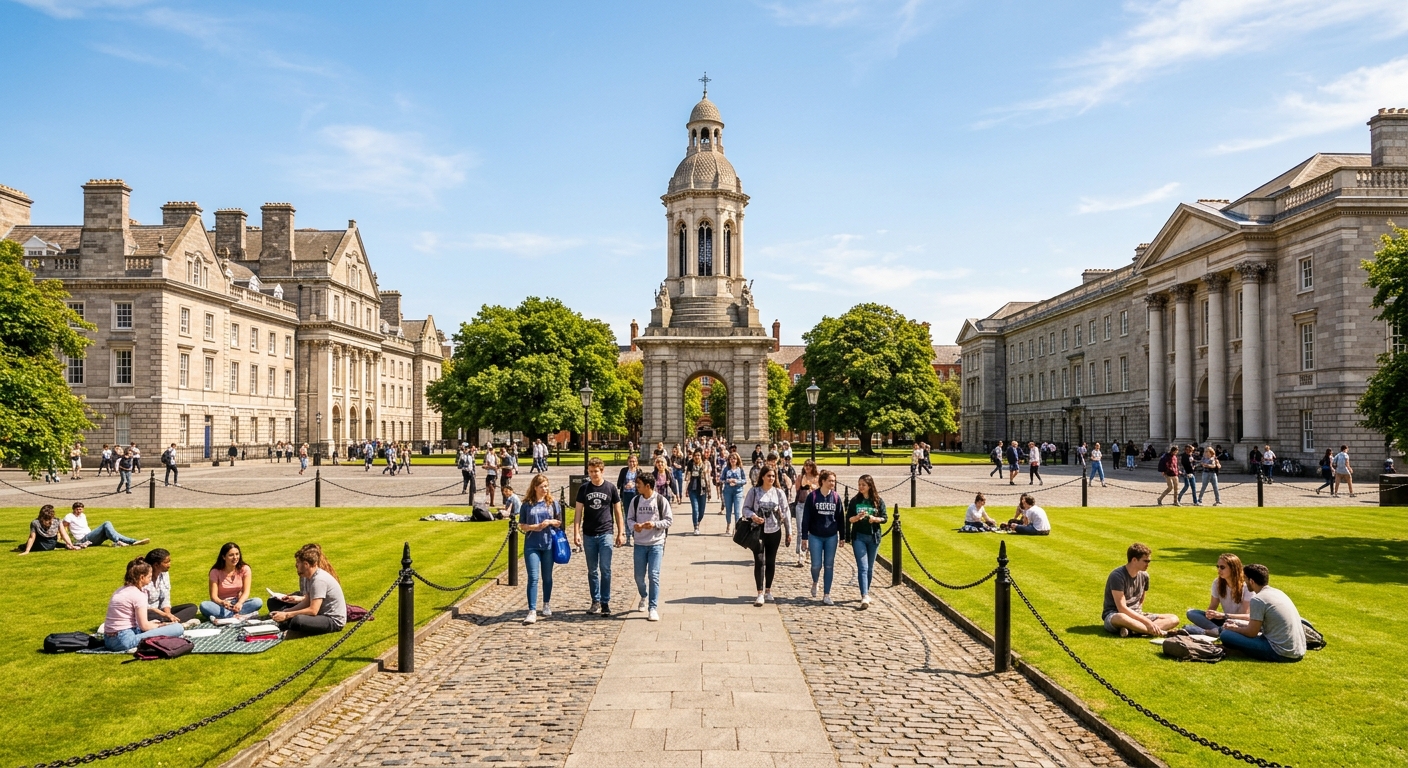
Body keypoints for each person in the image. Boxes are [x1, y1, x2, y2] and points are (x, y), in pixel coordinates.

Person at [1218, 564, 1306, 662]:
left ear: (1251, 581)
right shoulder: (1278, 593)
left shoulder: (1258, 600)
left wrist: (1234, 628)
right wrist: (1238, 625)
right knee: (1232, 629)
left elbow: (1251, 633)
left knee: (1226, 634)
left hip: (1281, 652)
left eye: (1245, 579)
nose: (1244, 582)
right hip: (1298, 650)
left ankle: (1241, 651)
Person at [573, 458, 623, 615]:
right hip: (589, 533)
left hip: (606, 532)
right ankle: (595, 600)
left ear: (602, 471)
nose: (593, 474)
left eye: (596, 471)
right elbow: (578, 512)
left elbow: (618, 512)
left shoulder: (610, 488)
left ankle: (605, 602)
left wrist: (621, 532)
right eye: (591, 471)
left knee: (605, 569)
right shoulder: (584, 489)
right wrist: (576, 532)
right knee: (592, 570)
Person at [103, 558, 185, 652]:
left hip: (108, 640)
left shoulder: (120, 590)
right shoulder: (138, 595)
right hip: (124, 640)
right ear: (142, 577)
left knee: (155, 623)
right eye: (149, 577)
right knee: (178, 628)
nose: (150, 580)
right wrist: (162, 625)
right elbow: (144, 626)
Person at [1101, 543, 1179, 637]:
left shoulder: (1144, 575)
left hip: (1137, 614)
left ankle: (1134, 630)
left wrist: (1142, 619)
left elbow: (1141, 600)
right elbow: (1121, 608)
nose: (1148, 564)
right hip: (1115, 614)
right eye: (1145, 561)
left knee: (1174, 618)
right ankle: (1161, 632)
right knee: (1121, 617)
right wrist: (1147, 622)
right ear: (1134, 560)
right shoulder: (1117, 576)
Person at [269, 544, 347, 636]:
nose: (296, 565)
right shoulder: (312, 577)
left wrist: (287, 615)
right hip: (321, 615)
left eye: (298, 562)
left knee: (297, 620)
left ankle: (289, 628)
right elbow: (306, 602)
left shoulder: (319, 580)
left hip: (333, 621)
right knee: (289, 614)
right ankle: (287, 625)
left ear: (306, 564)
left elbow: (313, 610)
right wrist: (286, 611)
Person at [743, 466, 792, 606]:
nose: (771, 478)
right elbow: (745, 508)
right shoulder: (754, 491)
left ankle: (768, 590)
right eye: (768, 476)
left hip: (774, 531)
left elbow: (786, 512)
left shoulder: (779, 493)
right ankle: (759, 593)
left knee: (771, 561)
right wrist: (753, 516)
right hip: (758, 531)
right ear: (763, 476)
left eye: (773, 476)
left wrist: (789, 532)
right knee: (759, 560)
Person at [627, 472, 672, 622]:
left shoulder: (660, 500)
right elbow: (630, 519)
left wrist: (654, 524)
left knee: (654, 575)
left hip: (656, 543)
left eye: (638, 484)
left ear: (647, 486)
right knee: (639, 576)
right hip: (639, 543)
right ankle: (643, 596)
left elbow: (668, 520)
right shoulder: (635, 501)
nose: (636, 486)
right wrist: (635, 526)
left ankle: (653, 607)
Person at [519, 474, 563, 624]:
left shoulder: (552, 503)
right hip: (532, 544)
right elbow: (522, 525)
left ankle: (546, 603)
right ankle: (532, 610)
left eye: (546, 486)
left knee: (547, 577)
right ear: (535, 488)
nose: (545, 489)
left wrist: (550, 522)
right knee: (533, 577)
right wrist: (535, 527)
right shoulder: (527, 504)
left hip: (548, 543)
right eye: (542, 486)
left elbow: (559, 522)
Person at [843, 475, 887, 608]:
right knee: (863, 567)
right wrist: (856, 518)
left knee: (870, 567)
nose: (861, 487)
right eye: (859, 484)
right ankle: (864, 595)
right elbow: (848, 518)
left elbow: (885, 518)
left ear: (869, 486)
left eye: (863, 484)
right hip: (859, 537)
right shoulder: (855, 501)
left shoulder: (878, 501)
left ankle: (866, 592)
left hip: (873, 537)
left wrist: (875, 519)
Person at [801, 470, 843, 605]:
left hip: (831, 536)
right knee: (816, 565)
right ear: (823, 481)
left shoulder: (836, 498)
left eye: (834, 481)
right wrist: (804, 537)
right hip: (815, 536)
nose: (833, 483)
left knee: (829, 565)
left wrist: (843, 536)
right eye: (830, 480)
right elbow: (806, 518)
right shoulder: (813, 497)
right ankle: (815, 581)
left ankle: (826, 594)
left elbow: (841, 518)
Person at [1185, 553, 1249, 638]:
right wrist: (1210, 614)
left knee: (1187, 628)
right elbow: (1213, 605)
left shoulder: (1246, 586)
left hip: (1240, 623)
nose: (1219, 570)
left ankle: (1215, 631)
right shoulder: (1217, 583)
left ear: (1233, 568)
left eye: (1222, 567)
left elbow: (1245, 614)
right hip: (1224, 620)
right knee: (1191, 613)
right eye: (1217, 567)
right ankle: (1218, 631)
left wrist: (1223, 615)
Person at [201, 542, 263, 620]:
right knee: (204, 605)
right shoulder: (215, 572)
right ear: (223, 557)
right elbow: (214, 597)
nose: (235, 557)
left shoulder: (245, 569)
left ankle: (229, 617)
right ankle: (238, 616)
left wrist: (240, 603)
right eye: (231, 555)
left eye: (237, 554)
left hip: (238, 603)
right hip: (222, 605)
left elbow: (246, 592)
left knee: (257, 602)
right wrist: (223, 603)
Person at [142, 548, 199, 625]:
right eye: (166, 562)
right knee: (148, 615)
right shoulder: (144, 579)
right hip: (148, 612)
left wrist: (168, 614)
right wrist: (164, 615)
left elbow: (166, 597)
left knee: (192, 607)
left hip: (162, 612)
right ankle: (173, 623)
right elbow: (142, 605)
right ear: (156, 565)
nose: (169, 564)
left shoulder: (164, 574)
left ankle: (168, 622)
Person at [62, 502, 147, 548]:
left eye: (81, 509)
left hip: (91, 537)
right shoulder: (69, 516)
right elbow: (62, 527)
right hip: (83, 539)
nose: (79, 511)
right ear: (73, 509)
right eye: (77, 509)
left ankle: (134, 541)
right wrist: (67, 541)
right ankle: (117, 542)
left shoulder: (83, 515)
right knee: (107, 523)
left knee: (112, 533)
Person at [791, 459, 819, 567]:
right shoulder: (800, 477)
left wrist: (812, 488)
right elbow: (798, 490)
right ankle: (801, 555)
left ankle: (809, 552)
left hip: (813, 507)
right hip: (801, 505)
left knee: (811, 531)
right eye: (805, 465)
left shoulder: (817, 478)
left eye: (809, 466)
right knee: (800, 530)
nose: (807, 467)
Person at [684, 449, 713, 535]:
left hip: (702, 490)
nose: (697, 457)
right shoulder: (690, 465)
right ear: (693, 457)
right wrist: (686, 489)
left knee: (702, 511)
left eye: (699, 455)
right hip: (692, 489)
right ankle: (696, 526)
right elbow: (688, 478)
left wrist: (709, 491)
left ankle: (698, 521)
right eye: (695, 455)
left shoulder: (705, 464)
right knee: (695, 509)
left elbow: (708, 479)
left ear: (701, 456)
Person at [720, 453, 746, 536]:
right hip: (728, 491)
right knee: (728, 510)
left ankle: (737, 528)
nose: (732, 460)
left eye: (734, 458)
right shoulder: (726, 469)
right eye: (731, 458)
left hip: (738, 491)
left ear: (737, 460)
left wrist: (736, 481)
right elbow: (721, 479)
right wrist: (728, 481)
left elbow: (744, 480)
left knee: (738, 511)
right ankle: (728, 525)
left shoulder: (740, 469)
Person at [617, 454, 641, 544]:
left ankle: (635, 534)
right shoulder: (624, 471)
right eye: (630, 461)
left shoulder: (639, 471)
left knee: (636, 515)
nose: (632, 463)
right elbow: (619, 484)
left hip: (636, 495)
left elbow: (641, 483)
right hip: (626, 495)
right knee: (627, 515)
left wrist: (634, 485)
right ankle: (628, 536)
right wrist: (625, 485)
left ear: (637, 462)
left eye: (634, 461)